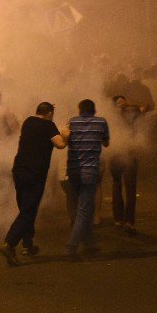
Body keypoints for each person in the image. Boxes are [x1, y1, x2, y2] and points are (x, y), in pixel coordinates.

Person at [0, 102, 66, 266]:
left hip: (19, 170)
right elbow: (60, 144)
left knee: (25, 209)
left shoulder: (28, 122)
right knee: (28, 212)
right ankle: (9, 243)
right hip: (35, 174)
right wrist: (67, 133)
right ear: (49, 113)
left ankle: (28, 245)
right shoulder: (49, 125)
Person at [63, 99, 109, 260]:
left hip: (73, 171)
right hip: (89, 171)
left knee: (85, 208)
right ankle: (71, 246)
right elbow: (106, 143)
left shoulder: (72, 122)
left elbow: (65, 139)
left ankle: (90, 243)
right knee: (84, 209)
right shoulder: (101, 122)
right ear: (94, 110)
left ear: (79, 110)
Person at [108, 95, 147, 235]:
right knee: (125, 189)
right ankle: (126, 221)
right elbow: (145, 107)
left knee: (121, 188)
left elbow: (145, 107)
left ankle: (122, 221)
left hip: (122, 155)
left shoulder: (116, 116)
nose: (123, 104)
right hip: (122, 155)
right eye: (119, 102)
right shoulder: (128, 115)